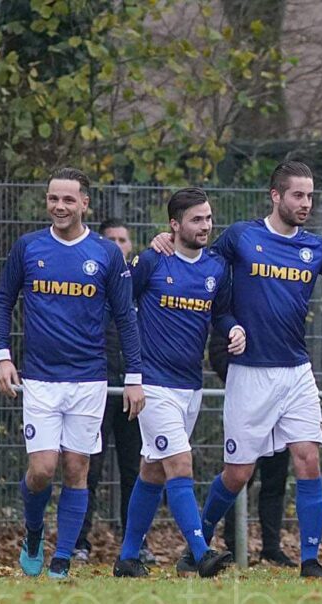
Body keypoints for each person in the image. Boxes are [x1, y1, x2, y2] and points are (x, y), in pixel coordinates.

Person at [152, 161, 322, 578]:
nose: (305, 203)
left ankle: (311, 560)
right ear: (275, 195)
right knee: (238, 474)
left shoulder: (317, 248)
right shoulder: (241, 237)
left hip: (296, 372)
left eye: (310, 195)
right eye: (298, 195)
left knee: (308, 459)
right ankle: (198, 545)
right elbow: (201, 269)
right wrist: (163, 243)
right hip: (250, 373)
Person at [0, 168, 145, 580]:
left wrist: (134, 376)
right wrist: (2, 357)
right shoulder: (28, 247)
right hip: (40, 379)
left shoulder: (105, 254)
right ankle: (35, 532)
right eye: (53, 199)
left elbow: (126, 319)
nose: (59, 207)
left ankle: (61, 559)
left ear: (84, 204)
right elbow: (2, 301)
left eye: (68, 200)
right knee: (42, 470)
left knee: (77, 467)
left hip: (89, 380)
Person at [112, 188, 242, 578]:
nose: (205, 226)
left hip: (190, 386)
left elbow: (220, 314)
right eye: (196, 220)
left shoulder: (216, 267)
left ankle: (128, 557)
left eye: (208, 218)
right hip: (153, 384)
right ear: (174, 225)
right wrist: (132, 374)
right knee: (180, 463)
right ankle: (201, 552)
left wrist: (233, 327)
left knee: (153, 470)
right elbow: (120, 309)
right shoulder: (151, 261)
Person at [74, 218, 151, 564]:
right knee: (88, 466)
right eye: (112, 240)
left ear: (131, 246)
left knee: (135, 470)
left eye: (124, 240)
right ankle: (79, 541)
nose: (118, 245)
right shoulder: (90, 282)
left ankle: (135, 543)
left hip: (132, 390)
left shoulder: (140, 283)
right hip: (95, 388)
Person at [208, 327, 297, 567]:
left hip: (279, 407)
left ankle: (271, 548)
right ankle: (232, 544)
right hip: (247, 407)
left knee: (275, 480)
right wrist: (246, 384)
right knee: (238, 477)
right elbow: (217, 352)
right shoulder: (236, 308)